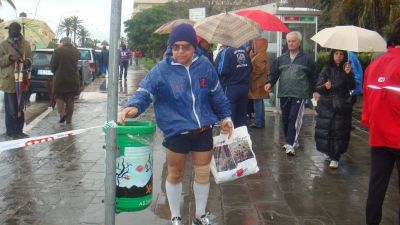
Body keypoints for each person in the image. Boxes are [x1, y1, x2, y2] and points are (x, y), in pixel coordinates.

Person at [119, 24, 233, 225]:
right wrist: (134, 107)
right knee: (175, 173)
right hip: (176, 131)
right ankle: (175, 216)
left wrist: (226, 117)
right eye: (176, 46)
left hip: (203, 129)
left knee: (203, 173)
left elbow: (217, 93)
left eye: (186, 47)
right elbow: (145, 91)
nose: (180, 51)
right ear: (171, 46)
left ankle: (199, 215)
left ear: (194, 47)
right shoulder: (161, 70)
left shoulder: (205, 65)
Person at [363, 17, 400, 225]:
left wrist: (375, 125)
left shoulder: (374, 66)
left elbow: (367, 105)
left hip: (379, 137)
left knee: (376, 187)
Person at [264, 31, 317, 156]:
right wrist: (270, 83)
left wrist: (315, 91)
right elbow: (274, 73)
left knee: (294, 118)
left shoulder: (307, 58)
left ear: (299, 42)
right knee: (286, 119)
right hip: (284, 93)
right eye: (289, 41)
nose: (291, 43)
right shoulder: (281, 59)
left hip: (299, 94)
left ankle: (290, 143)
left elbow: (314, 76)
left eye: (294, 41)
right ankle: (291, 140)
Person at [314, 49, 355, 169]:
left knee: (339, 131)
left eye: (341, 54)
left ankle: (335, 156)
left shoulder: (347, 68)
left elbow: (352, 87)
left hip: (341, 105)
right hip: (327, 105)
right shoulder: (326, 68)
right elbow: (318, 87)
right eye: (336, 53)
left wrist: (348, 74)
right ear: (332, 55)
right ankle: (329, 152)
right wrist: (324, 86)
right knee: (327, 130)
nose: (338, 56)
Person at [0, 22, 32, 140]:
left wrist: (27, 61)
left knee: (20, 108)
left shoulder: (26, 44)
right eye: (10, 30)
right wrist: (9, 58)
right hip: (9, 81)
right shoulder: (3, 44)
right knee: (11, 110)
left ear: (18, 30)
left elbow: (30, 59)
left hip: (21, 81)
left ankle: (19, 130)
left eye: (13, 29)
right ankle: (11, 132)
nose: (10, 31)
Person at [215, 44, 252, 128]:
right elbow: (250, 67)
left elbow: (221, 71)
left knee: (229, 118)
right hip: (244, 87)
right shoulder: (244, 51)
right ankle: (242, 139)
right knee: (242, 119)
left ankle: (230, 140)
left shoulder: (226, 51)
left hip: (231, 88)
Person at [50, 37, 80, 125]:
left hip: (60, 79)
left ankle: (62, 114)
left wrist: (54, 71)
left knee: (59, 97)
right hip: (73, 79)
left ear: (62, 42)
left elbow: (53, 65)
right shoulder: (76, 51)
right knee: (70, 99)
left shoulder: (58, 51)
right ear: (70, 42)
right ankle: (69, 120)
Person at [248, 38, 269, 128]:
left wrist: (251, 77)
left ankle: (258, 122)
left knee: (257, 102)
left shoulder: (261, 56)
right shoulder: (262, 54)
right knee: (259, 101)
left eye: (255, 45)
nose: (254, 46)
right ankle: (260, 121)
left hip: (258, 83)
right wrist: (252, 56)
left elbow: (259, 69)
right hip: (261, 82)